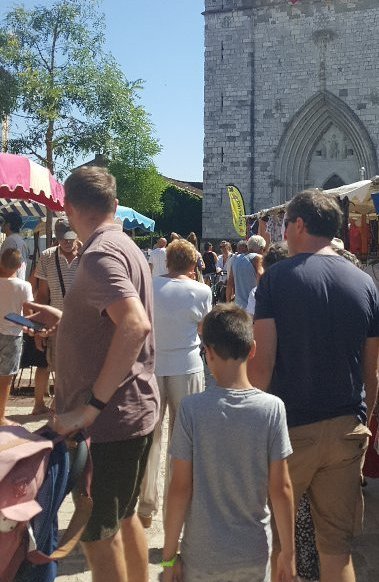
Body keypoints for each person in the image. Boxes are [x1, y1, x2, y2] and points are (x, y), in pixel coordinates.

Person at [25, 166, 159, 582]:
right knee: (123, 518)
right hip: (130, 414)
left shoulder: (100, 253)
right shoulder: (122, 244)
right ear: (114, 205)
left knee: (97, 535)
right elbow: (112, 323)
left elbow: (134, 324)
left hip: (109, 422)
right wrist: (67, 320)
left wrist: (90, 408)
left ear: (68, 208)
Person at [250, 189, 379, 582]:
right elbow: (370, 369)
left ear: (299, 225)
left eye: (285, 225)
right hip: (347, 428)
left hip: (291, 431)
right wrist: (363, 419)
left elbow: (263, 364)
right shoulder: (363, 283)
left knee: (282, 547)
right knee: (337, 549)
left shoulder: (277, 278)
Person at [162, 303, 296, 582]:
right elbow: (281, 487)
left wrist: (169, 555)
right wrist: (288, 553)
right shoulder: (273, 409)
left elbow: (179, 488)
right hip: (254, 552)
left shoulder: (190, 410)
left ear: (207, 353)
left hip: (202, 554)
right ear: (253, 349)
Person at [137, 238, 212, 528]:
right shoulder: (201, 291)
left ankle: (146, 503)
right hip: (187, 365)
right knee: (183, 442)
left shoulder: (150, 286)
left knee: (151, 437)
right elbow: (204, 328)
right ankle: (176, 507)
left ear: (166, 261)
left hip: (153, 365)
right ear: (193, 264)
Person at [30, 218, 79, 415]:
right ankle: (61, 404)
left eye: (70, 238)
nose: (67, 242)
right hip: (56, 323)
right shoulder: (47, 257)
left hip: (84, 323)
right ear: (57, 239)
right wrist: (38, 327)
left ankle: (69, 405)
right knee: (57, 365)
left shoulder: (87, 254)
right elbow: (42, 294)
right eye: (63, 239)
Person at [0, 249, 33, 425]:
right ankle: (1, 416)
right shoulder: (23, 286)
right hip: (13, 334)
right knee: (6, 377)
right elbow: (28, 315)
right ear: (20, 265)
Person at [227, 235, 266, 308]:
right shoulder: (258, 258)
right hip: (253, 306)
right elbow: (261, 277)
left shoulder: (235, 259)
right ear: (261, 248)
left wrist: (228, 303)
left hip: (238, 306)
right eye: (264, 250)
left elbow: (230, 283)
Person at [0, 211, 29, 280]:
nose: (1, 225)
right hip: (18, 282)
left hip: (9, 283)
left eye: (3, 222)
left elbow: (5, 264)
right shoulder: (20, 240)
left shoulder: (10, 240)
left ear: (8, 225)